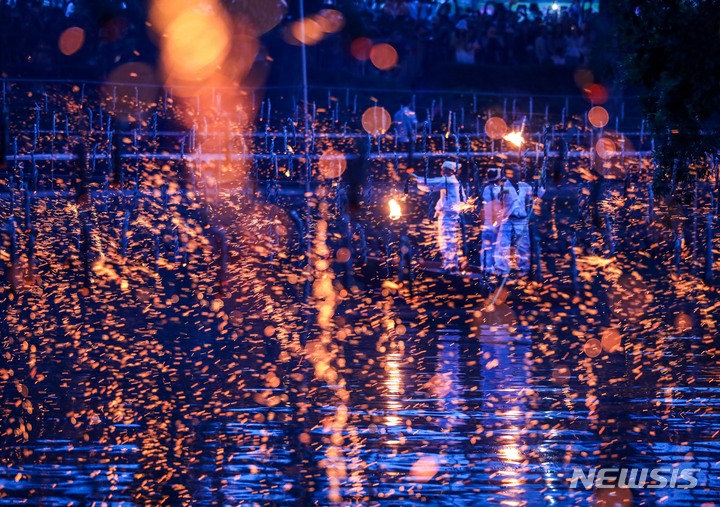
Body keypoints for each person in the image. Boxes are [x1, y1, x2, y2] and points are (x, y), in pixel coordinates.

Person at [410, 161, 465, 272]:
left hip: (448, 216)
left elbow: (431, 183)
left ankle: (450, 265)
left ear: (448, 171)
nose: (441, 171)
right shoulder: (455, 182)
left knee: (446, 239)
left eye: (443, 169)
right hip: (453, 216)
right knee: (452, 240)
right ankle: (453, 263)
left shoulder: (448, 180)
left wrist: (416, 178)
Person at [494, 164, 537, 276]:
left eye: (519, 172)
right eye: (515, 172)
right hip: (507, 219)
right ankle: (501, 269)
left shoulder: (525, 186)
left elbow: (532, 198)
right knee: (503, 244)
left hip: (521, 219)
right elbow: (498, 198)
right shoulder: (505, 187)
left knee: (523, 245)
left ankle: (523, 268)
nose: (517, 175)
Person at [481, 167, 502, 272]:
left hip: (490, 222)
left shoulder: (487, 189)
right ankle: (490, 270)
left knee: (488, 247)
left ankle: (487, 269)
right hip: (494, 222)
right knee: (494, 247)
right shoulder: (495, 189)